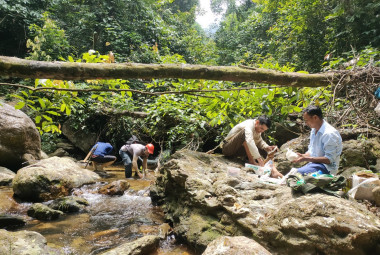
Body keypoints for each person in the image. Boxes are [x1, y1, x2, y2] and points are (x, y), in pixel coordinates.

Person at [293, 105, 342, 175]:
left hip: (327, 168)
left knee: (297, 174)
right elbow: (312, 151)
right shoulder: (314, 130)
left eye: (307, 120)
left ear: (315, 117)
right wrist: (303, 155)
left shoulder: (329, 134)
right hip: (314, 164)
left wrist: (306, 159)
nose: (306, 123)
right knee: (293, 173)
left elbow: (329, 159)